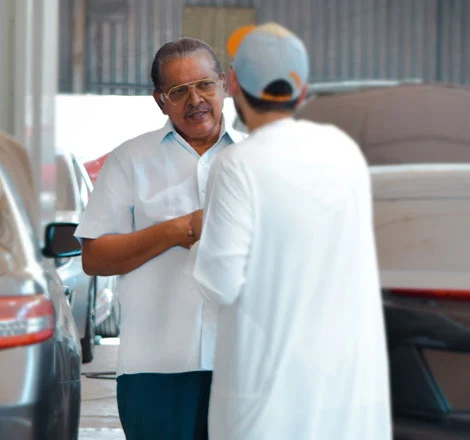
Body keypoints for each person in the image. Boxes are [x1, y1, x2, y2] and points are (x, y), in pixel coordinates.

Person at [190, 23, 392, 440]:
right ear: (303, 91)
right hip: (349, 400)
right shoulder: (344, 154)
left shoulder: (238, 165)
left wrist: (196, 236)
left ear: (232, 85)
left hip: (268, 407)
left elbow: (219, 283)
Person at [74, 38, 245, 440]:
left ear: (224, 84)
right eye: (178, 91)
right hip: (155, 368)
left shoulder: (255, 159)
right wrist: (180, 230)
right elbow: (95, 256)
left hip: (244, 363)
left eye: (204, 84)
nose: (196, 99)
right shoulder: (130, 160)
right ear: (159, 101)